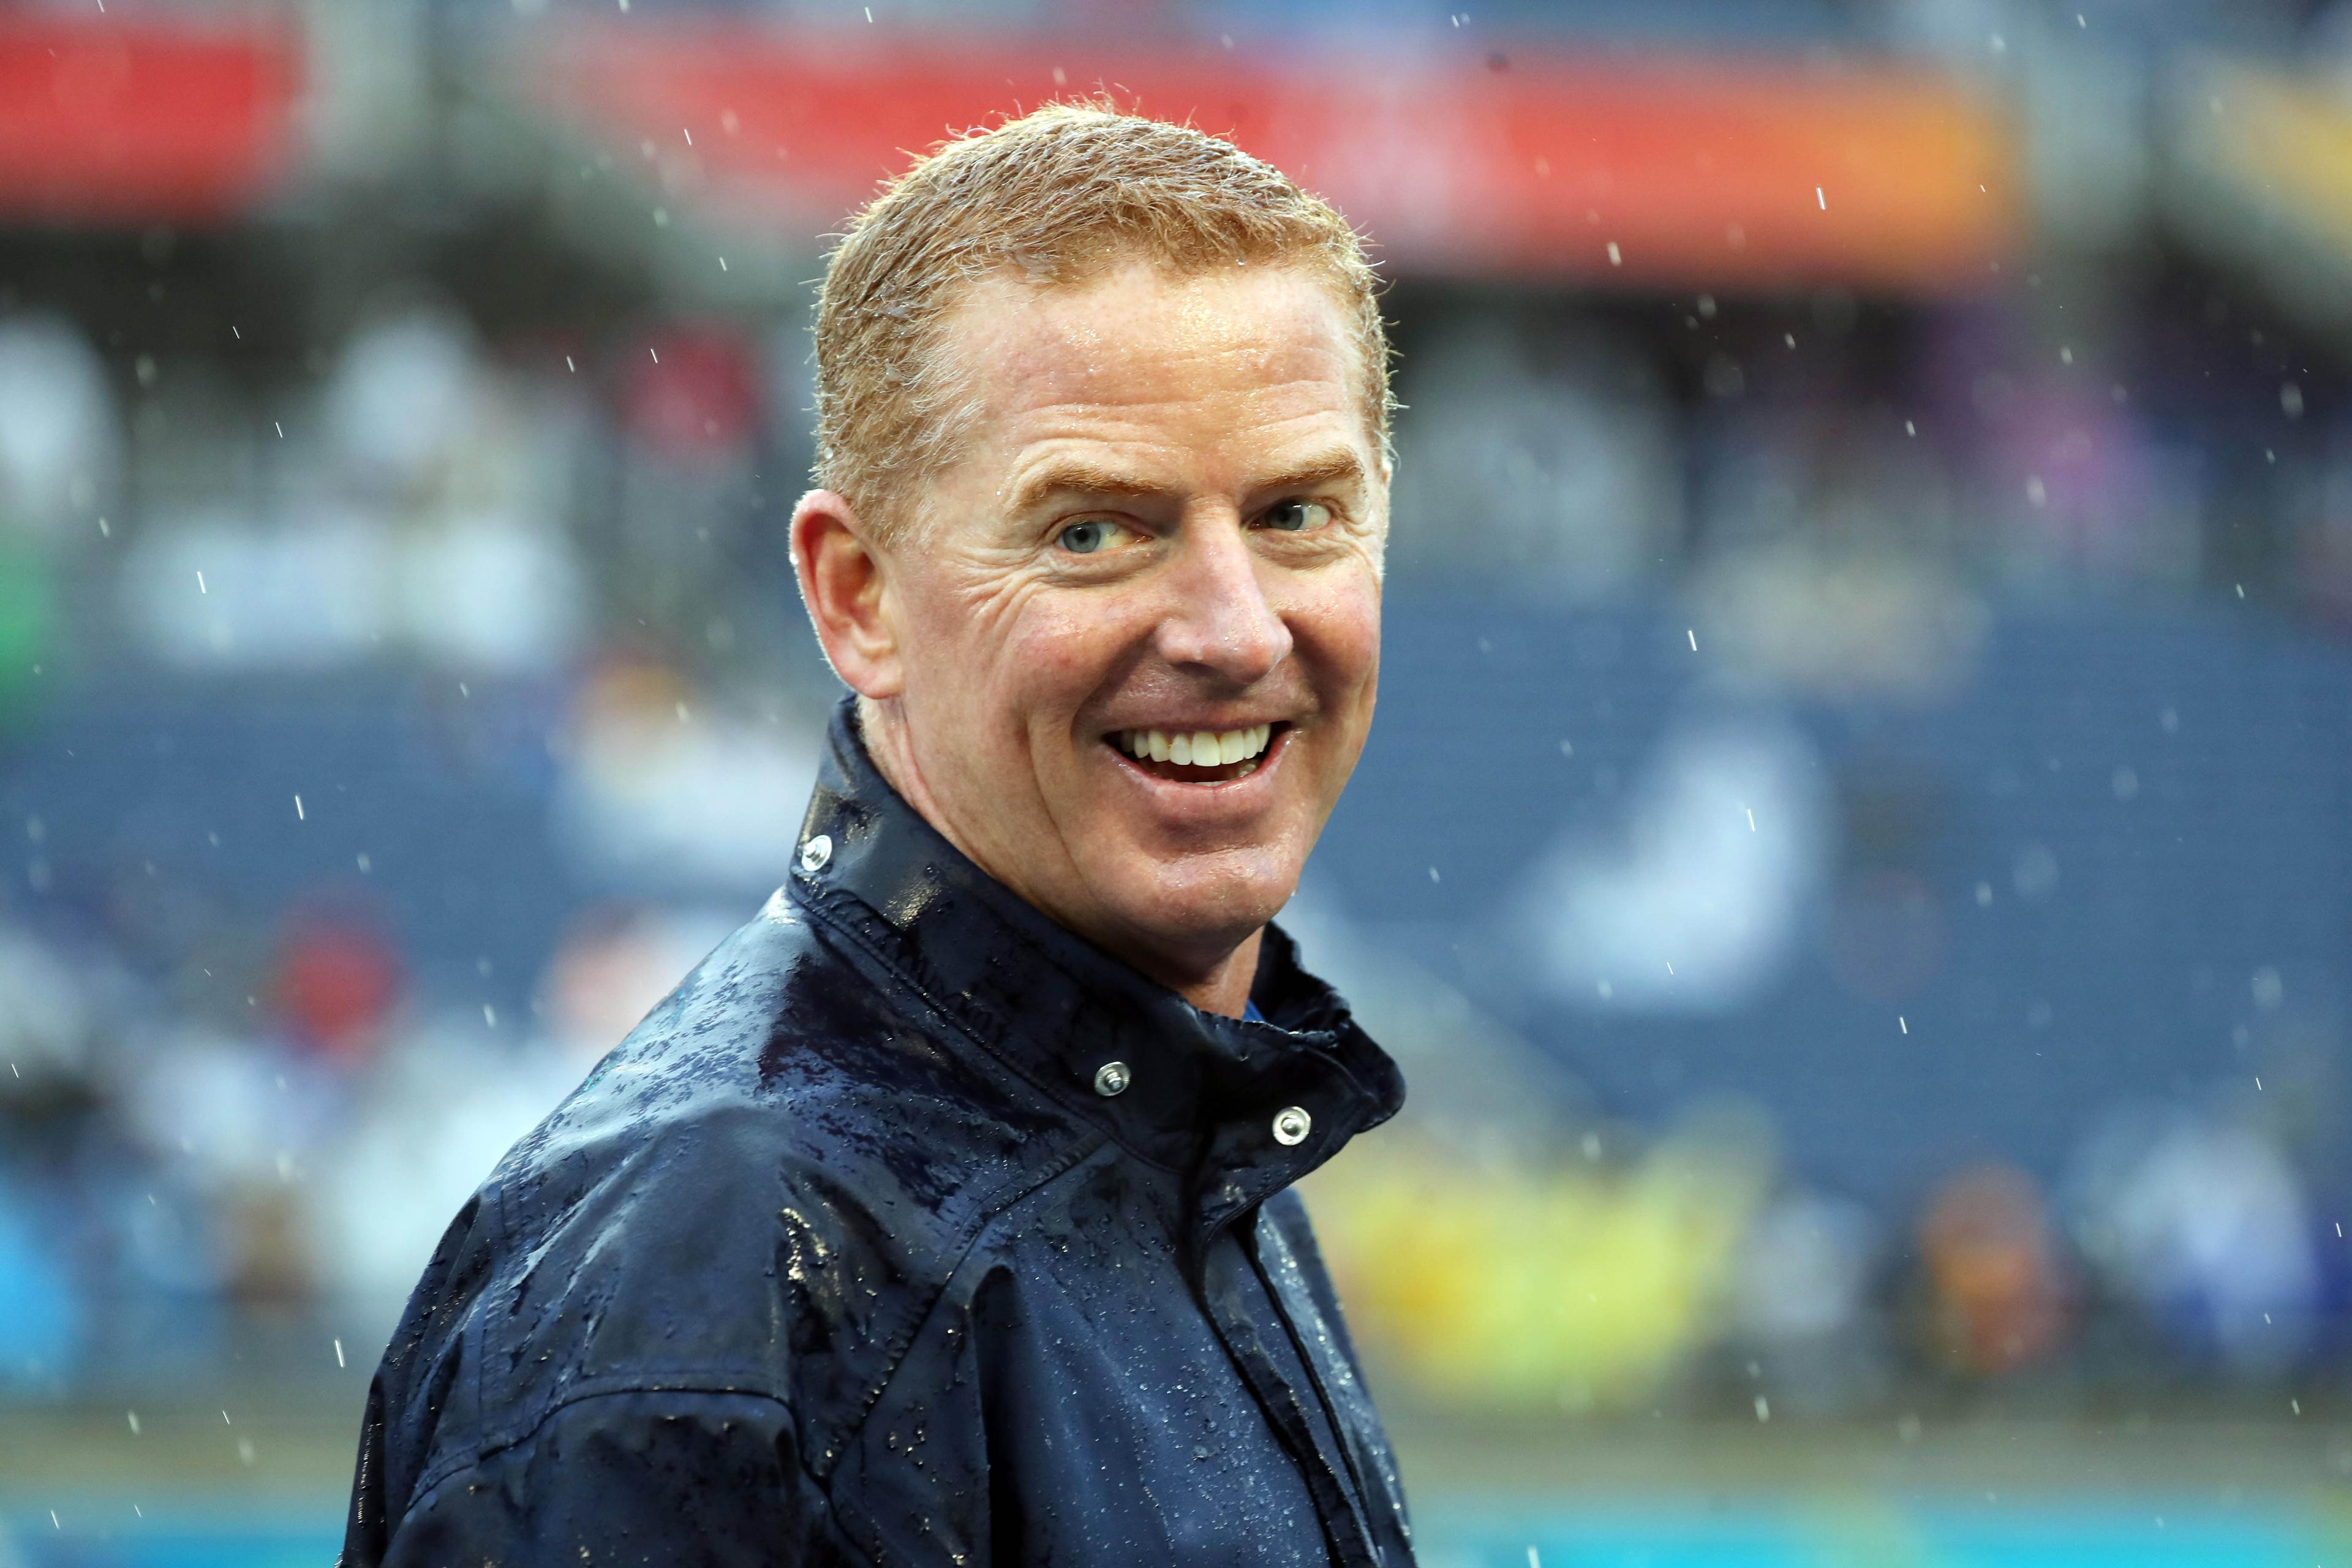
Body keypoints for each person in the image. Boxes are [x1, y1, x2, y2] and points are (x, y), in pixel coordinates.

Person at [341, 104, 1413, 1567]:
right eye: (1094, 529)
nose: (1235, 629)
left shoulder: (1188, 1137)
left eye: (1298, 513)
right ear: (858, 596)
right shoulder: (714, 1278)